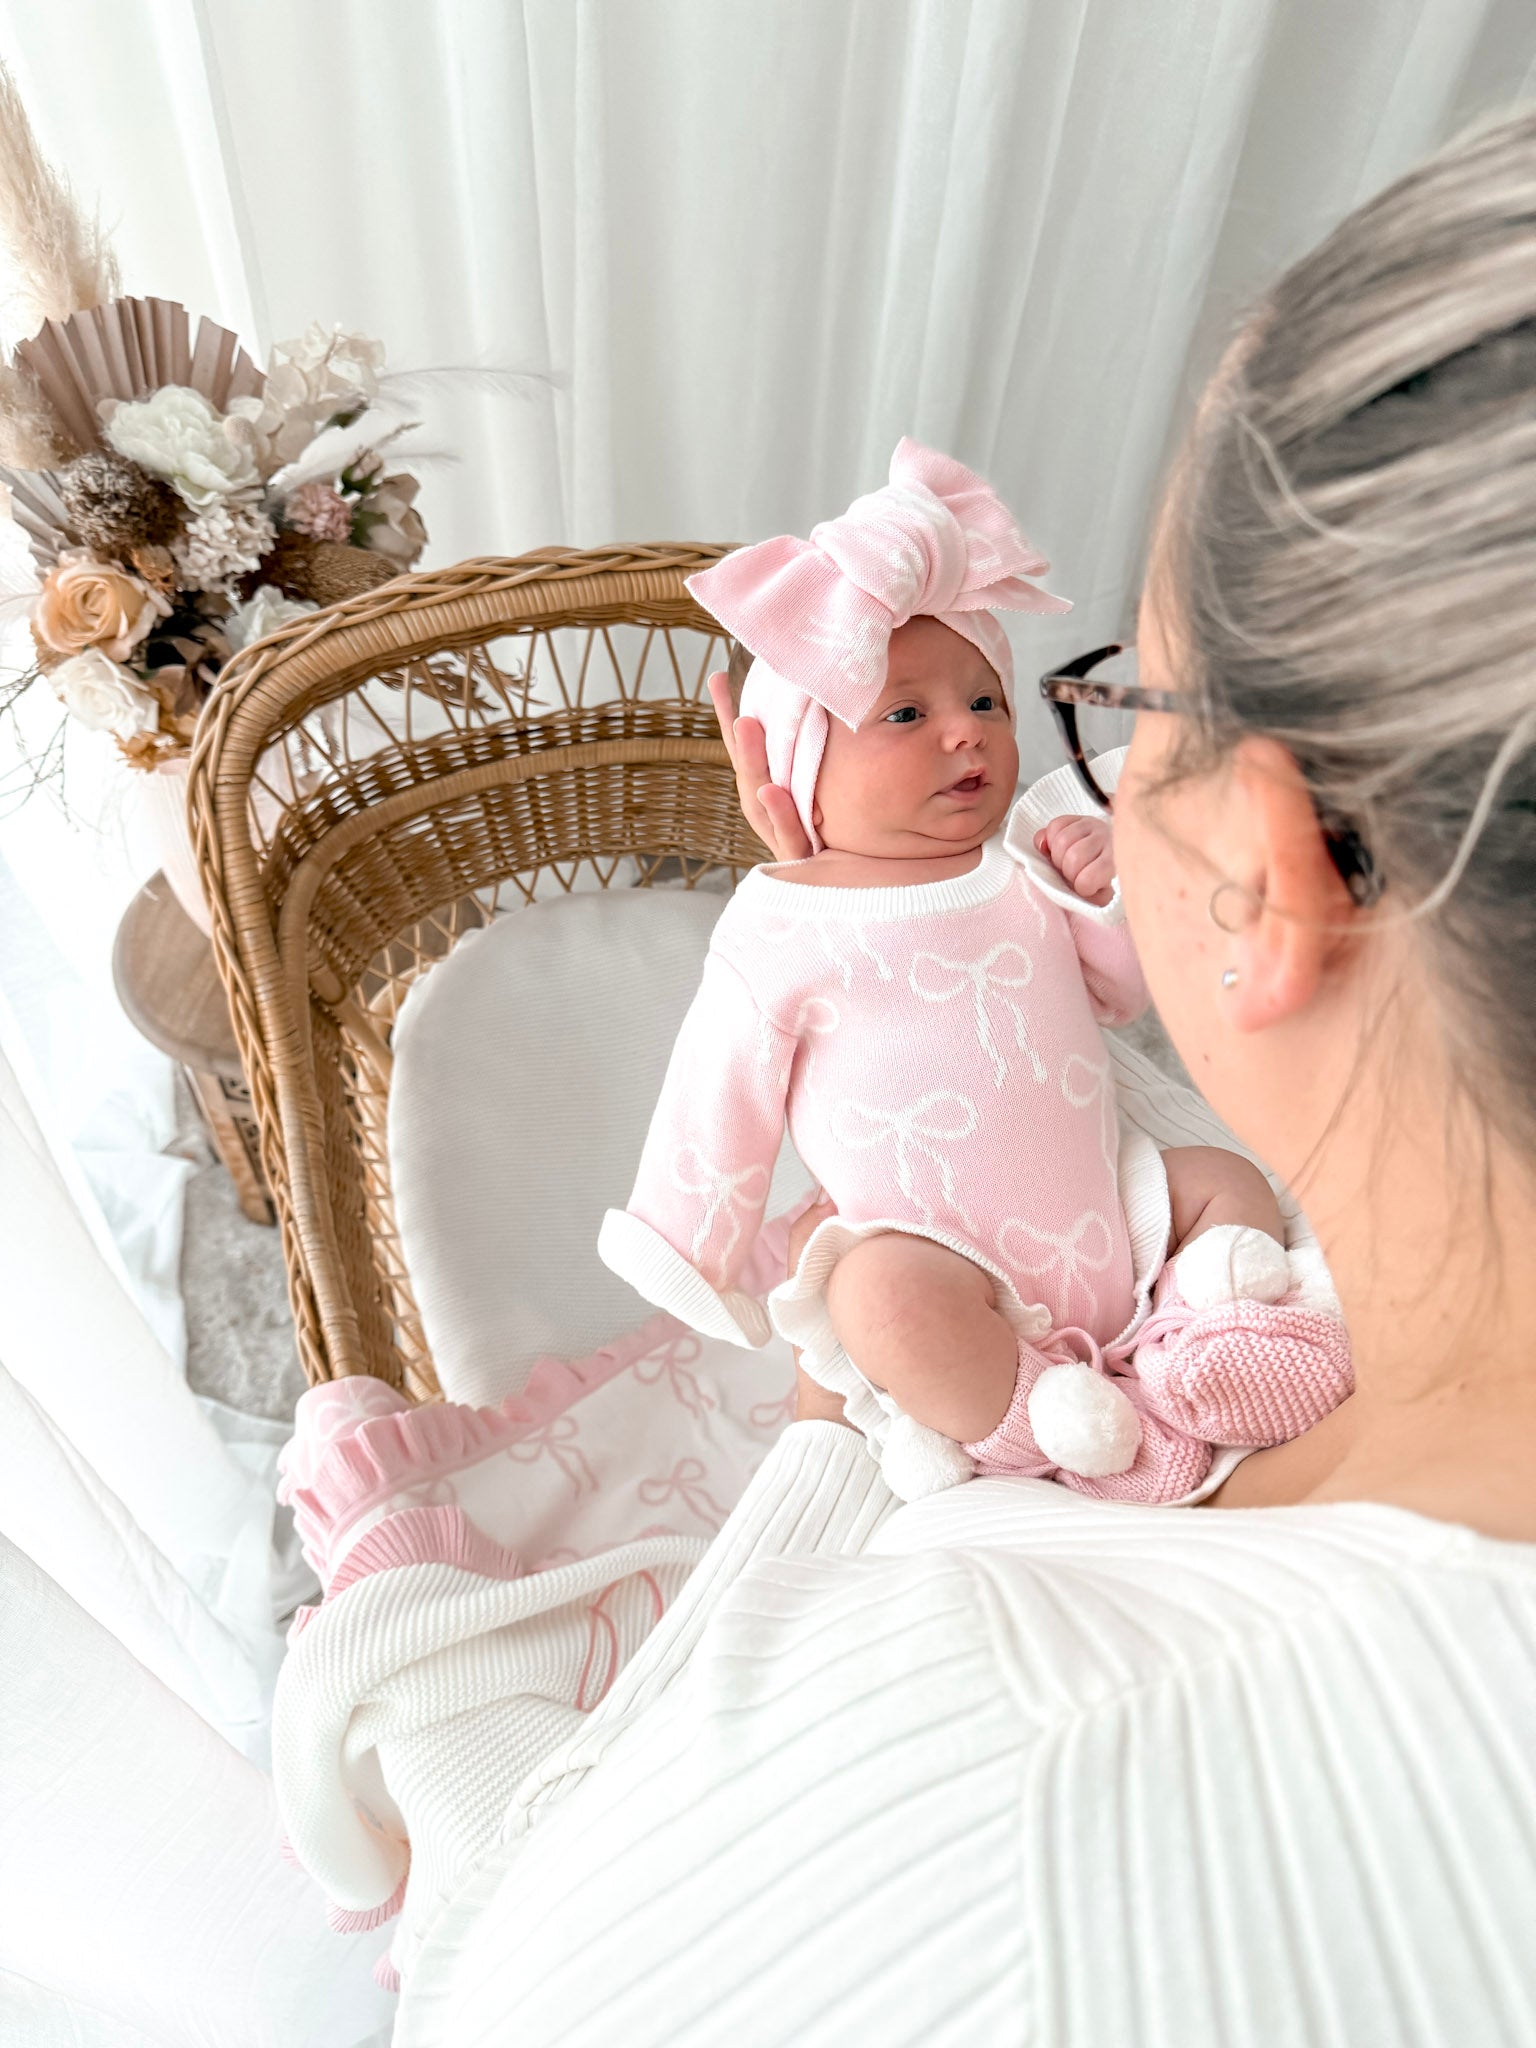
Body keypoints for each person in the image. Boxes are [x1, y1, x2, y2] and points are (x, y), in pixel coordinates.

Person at [394, 111, 1536, 2045]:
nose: (998, 750)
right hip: (1011, 1324)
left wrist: (822, 1479)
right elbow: (718, 1116)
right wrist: (718, 1257)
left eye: (1106, 702)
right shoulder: (788, 940)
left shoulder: (972, 1786)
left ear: (1261, 870)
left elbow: (492, 1983)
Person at [601, 438, 1348, 1505]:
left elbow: (1118, 997)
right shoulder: (786, 922)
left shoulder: (1024, 864)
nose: (966, 733)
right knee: (878, 1299)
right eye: (906, 714)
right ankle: (1043, 1421)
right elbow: (715, 1090)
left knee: (1220, 1178)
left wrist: (1098, 893)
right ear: (809, 771)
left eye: (986, 700)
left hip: (1104, 1211)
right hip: (951, 1262)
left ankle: (1205, 1333)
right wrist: (689, 1243)